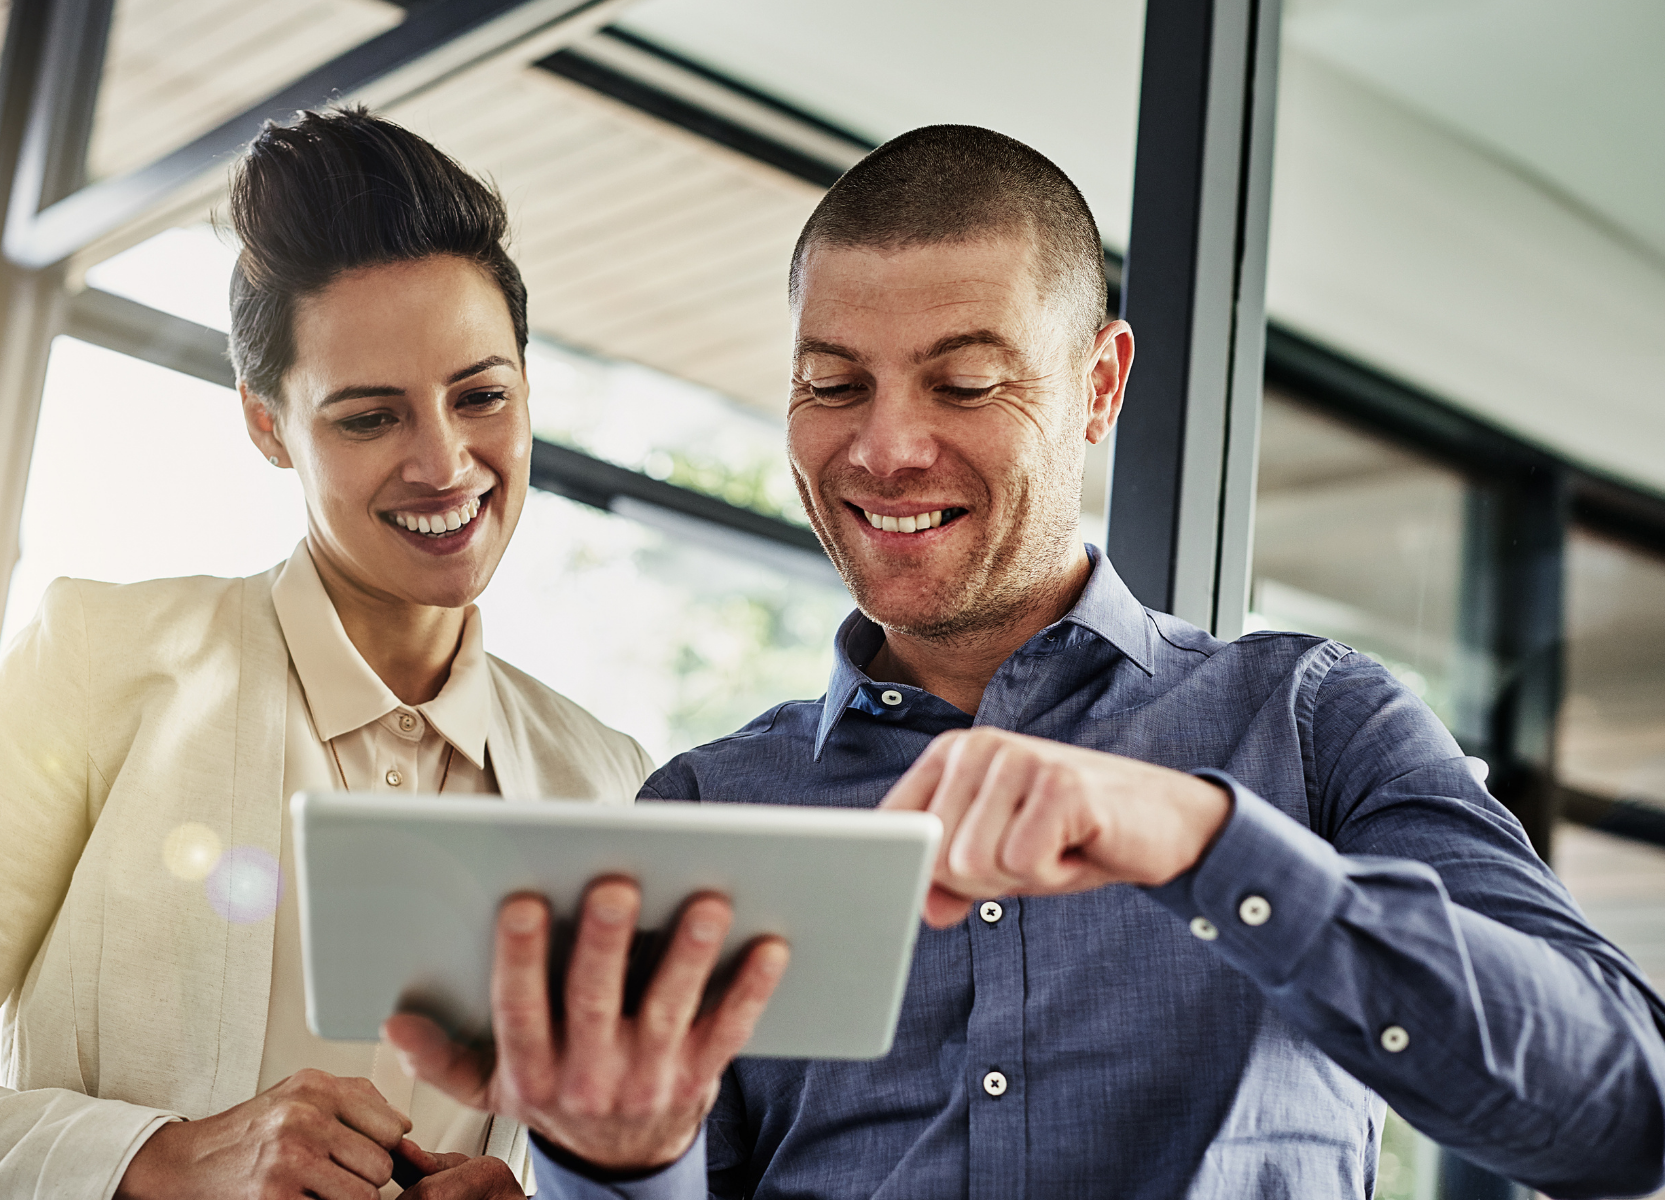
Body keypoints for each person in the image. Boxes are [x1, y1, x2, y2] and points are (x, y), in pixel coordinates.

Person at [386, 125, 1665, 1199]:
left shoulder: (1309, 723)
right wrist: (613, 1159)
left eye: (964, 383)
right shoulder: (710, 808)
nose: (882, 449)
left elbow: (1621, 1113)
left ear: (1098, 388)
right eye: (833, 384)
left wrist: (1199, 837)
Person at [0, 107, 649, 1200]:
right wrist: (161, 1157)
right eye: (368, 418)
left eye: (481, 396)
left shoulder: (607, 778)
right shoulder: (99, 665)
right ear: (267, 424)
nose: (444, 463)